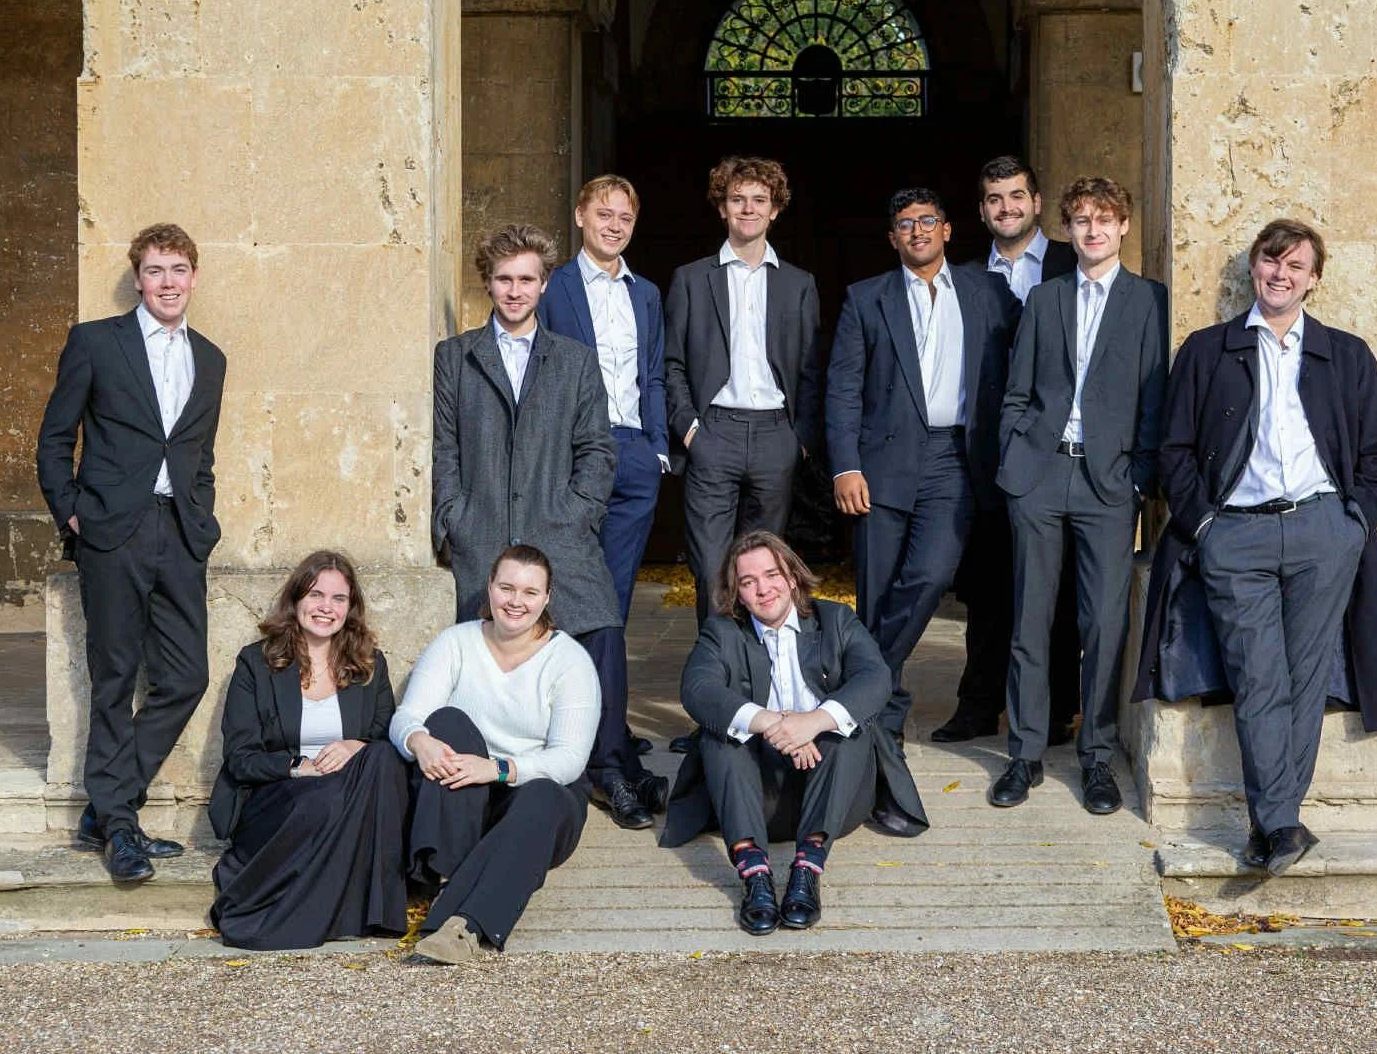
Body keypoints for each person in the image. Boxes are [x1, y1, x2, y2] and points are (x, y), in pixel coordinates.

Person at [1134, 219, 1377, 876]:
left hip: (1321, 532)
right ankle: (1279, 822)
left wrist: (1355, 520)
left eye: (1294, 266)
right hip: (1236, 535)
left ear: (1313, 278)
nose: (1280, 275)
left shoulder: (1347, 355)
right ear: (1253, 268)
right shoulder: (1207, 350)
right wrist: (1203, 525)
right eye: (1269, 261)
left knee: (1306, 679)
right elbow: (1175, 450)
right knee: (1258, 677)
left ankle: (1274, 824)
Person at [35, 223, 226, 883]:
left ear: (193, 277)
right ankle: (120, 827)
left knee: (186, 675)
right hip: (111, 531)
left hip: (180, 534)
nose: (167, 281)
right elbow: (54, 438)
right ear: (138, 278)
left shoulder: (211, 357)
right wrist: (72, 511)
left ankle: (108, 806)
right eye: (154, 270)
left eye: (178, 269)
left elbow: (199, 455)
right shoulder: (95, 342)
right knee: (115, 678)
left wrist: (203, 520)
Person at [989, 176, 1166, 815]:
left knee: (1104, 621)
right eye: (1082, 220)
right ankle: (1025, 754)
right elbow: (1017, 390)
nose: (1093, 230)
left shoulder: (1151, 302)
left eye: (1105, 219)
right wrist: (1014, 462)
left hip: (1110, 481)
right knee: (1031, 620)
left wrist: (1140, 476)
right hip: (1039, 476)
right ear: (1067, 228)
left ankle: (1096, 756)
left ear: (1123, 228)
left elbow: (1155, 398)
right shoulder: (1045, 298)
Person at [660, 531, 928, 936]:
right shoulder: (722, 632)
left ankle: (807, 868)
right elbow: (698, 690)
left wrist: (813, 722)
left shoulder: (836, 619)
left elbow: (875, 679)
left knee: (851, 726)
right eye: (748, 582)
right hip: (757, 802)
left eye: (771, 575)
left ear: (791, 577)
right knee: (722, 733)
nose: (763, 589)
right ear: (738, 593)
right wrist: (773, 723)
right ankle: (755, 876)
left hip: (835, 795)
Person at [826, 187, 1017, 743]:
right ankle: (883, 720)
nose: (918, 231)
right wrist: (845, 466)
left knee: (931, 574)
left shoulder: (988, 292)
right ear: (893, 237)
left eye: (928, 221)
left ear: (948, 230)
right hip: (881, 462)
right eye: (906, 224)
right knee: (879, 592)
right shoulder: (866, 298)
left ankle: (857, 687)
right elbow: (842, 389)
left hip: (955, 458)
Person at [431, 222, 622, 763]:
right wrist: (454, 518)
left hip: (557, 527)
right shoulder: (456, 357)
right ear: (487, 285)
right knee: (483, 638)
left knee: (600, 618)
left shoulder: (575, 360)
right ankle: (500, 756)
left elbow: (597, 450)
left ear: (543, 285)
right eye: (503, 279)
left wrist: (578, 513)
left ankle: (609, 766)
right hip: (483, 529)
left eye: (526, 279)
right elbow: (444, 447)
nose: (515, 291)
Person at [391, 545, 600, 964]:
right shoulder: (456, 643)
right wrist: (419, 739)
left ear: (546, 598)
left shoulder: (570, 661)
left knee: (543, 793)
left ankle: (463, 925)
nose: (515, 601)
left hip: (536, 804)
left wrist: (498, 769)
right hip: (465, 802)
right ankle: (442, 870)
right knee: (445, 721)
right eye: (506, 587)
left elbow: (569, 760)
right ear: (489, 589)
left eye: (529, 591)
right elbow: (406, 717)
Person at [934, 156, 1081, 745]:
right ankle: (979, 704)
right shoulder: (964, 278)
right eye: (995, 199)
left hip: (1065, 454)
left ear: (1038, 202)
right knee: (989, 586)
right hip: (993, 456)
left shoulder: (1075, 263)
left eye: (1017, 196)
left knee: (1061, 588)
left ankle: (1057, 710)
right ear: (981, 210)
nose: (1007, 207)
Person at [535, 175, 668, 828]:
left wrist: (659, 447)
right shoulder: (554, 288)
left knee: (609, 606)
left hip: (636, 457)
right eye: (603, 213)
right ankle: (604, 756)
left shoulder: (645, 293)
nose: (614, 224)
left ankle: (603, 741)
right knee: (590, 608)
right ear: (580, 215)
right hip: (575, 460)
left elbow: (655, 371)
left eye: (625, 215)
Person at [208, 551, 409, 950]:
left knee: (383, 758)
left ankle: (378, 907)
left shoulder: (370, 666)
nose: (326, 608)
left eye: (338, 599)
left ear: (350, 609)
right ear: (297, 599)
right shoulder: (256, 663)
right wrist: (299, 767)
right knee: (326, 798)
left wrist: (357, 745)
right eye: (316, 595)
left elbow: (388, 738)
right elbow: (241, 757)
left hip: (348, 795)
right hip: (278, 798)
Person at [663, 156, 824, 627]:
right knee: (713, 569)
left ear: (775, 209)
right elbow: (670, 362)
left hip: (777, 437)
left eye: (759, 200)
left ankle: (757, 677)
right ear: (722, 208)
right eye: (738, 200)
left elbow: (811, 370)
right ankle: (718, 682)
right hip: (714, 433)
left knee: (765, 574)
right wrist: (691, 430)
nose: (748, 209)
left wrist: (800, 440)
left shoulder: (799, 284)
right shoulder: (692, 279)